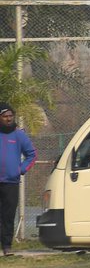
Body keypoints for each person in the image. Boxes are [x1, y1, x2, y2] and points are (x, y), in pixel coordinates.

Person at [0, 104, 36, 256]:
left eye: (10, 116)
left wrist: (20, 170)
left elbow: (32, 155)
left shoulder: (19, 135)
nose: (8, 118)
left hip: (11, 183)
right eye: (5, 116)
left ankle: (7, 247)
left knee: (8, 216)